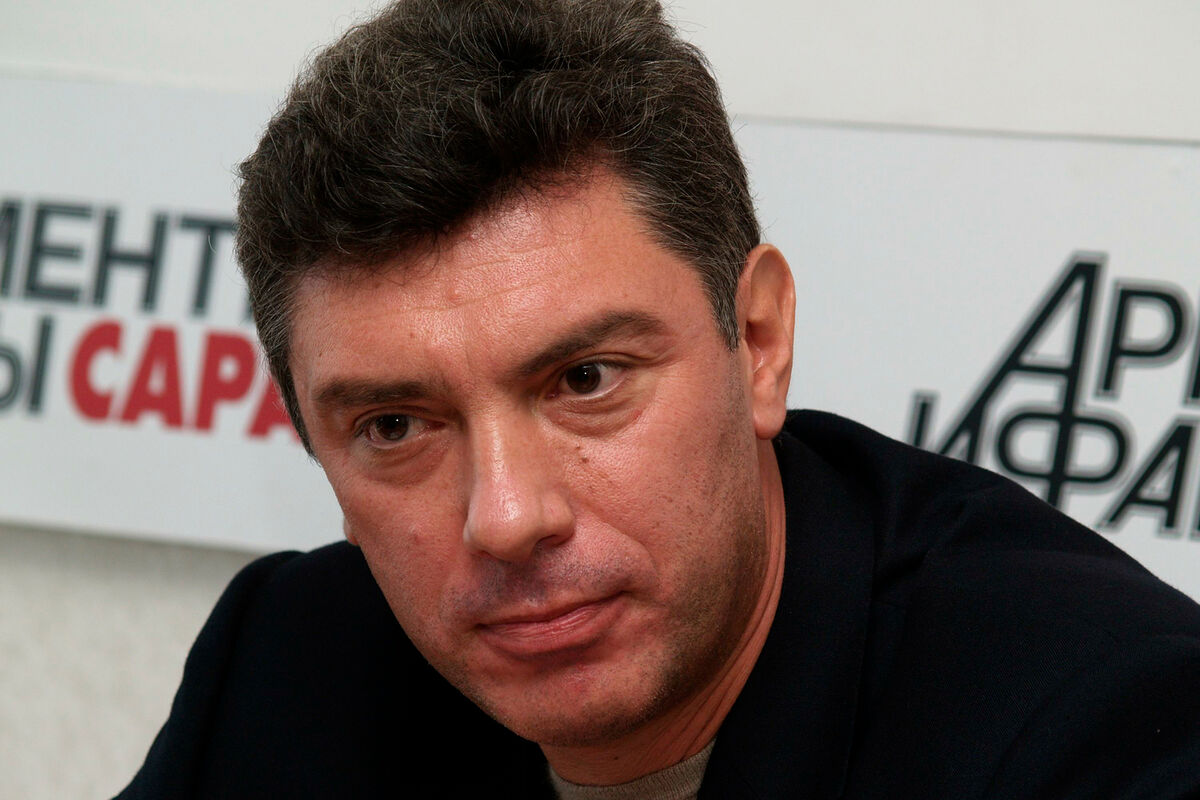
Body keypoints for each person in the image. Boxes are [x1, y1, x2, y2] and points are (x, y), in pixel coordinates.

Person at [118, 0, 1200, 797]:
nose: (507, 517)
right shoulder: (286, 666)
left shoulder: (1104, 726)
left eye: (585, 380)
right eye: (395, 426)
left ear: (759, 343)